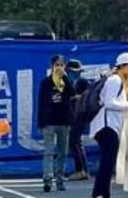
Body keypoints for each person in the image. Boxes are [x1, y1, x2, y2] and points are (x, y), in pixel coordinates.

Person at [90, 53, 128, 198]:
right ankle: (102, 194)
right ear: (122, 66)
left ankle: (100, 193)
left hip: (110, 126)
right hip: (107, 127)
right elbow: (109, 102)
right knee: (107, 163)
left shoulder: (118, 80)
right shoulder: (115, 80)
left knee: (107, 162)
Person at [37, 55, 74, 193]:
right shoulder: (45, 82)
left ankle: (59, 179)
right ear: (52, 66)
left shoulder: (65, 81)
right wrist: (41, 123)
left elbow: (72, 93)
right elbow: (40, 103)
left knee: (62, 152)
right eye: (56, 65)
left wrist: (64, 77)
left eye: (61, 65)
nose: (59, 67)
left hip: (64, 121)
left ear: (64, 67)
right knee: (48, 152)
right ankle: (47, 179)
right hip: (49, 122)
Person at [65, 59, 90, 181]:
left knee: (73, 142)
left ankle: (80, 170)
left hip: (81, 115)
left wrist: (77, 97)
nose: (77, 74)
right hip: (70, 116)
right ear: (68, 71)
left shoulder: (84, 83)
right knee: (77, 143)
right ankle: (84, 171)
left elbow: (89, 96)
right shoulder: (64, 83)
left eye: (79, 72)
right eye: (74, 72)